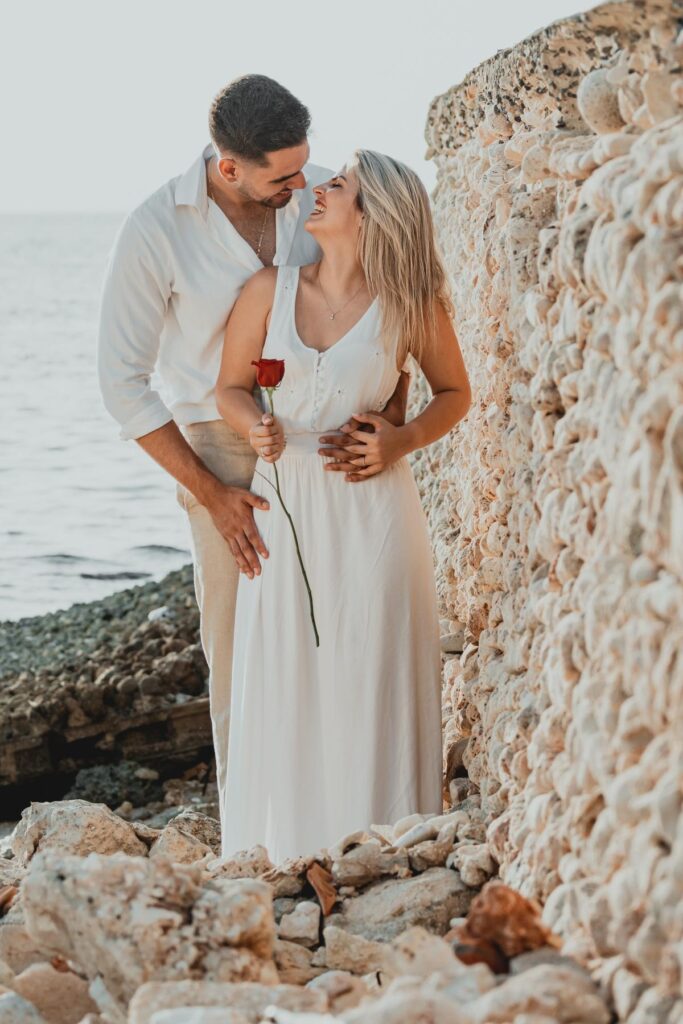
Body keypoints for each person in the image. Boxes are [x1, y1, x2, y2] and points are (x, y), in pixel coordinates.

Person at [96, 76, 410, 831]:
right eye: (281, 176)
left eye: (304, 168)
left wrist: (392, 420)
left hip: (326, 444)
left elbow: (380, 295)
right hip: (219, 449)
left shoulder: (319, 194)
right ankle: (254, 839)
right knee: (242, 656)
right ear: (227, 167)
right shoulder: (156, 230)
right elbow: (122, 384)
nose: (300, 185)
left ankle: (347, 818)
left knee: (338, 633)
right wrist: (210, 491)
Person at [215, 149, 472, 863]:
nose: (318, 191)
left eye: (337, 186)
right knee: (288, 671)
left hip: (373, 512)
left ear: (374, 213)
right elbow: (230, 388)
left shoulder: (409, 305)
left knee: (369, 667)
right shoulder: (268, 290)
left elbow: (455, 393)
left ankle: (381, 848)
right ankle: (289, 851)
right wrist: (251, 425)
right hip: (284, 503)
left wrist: (401, 440)